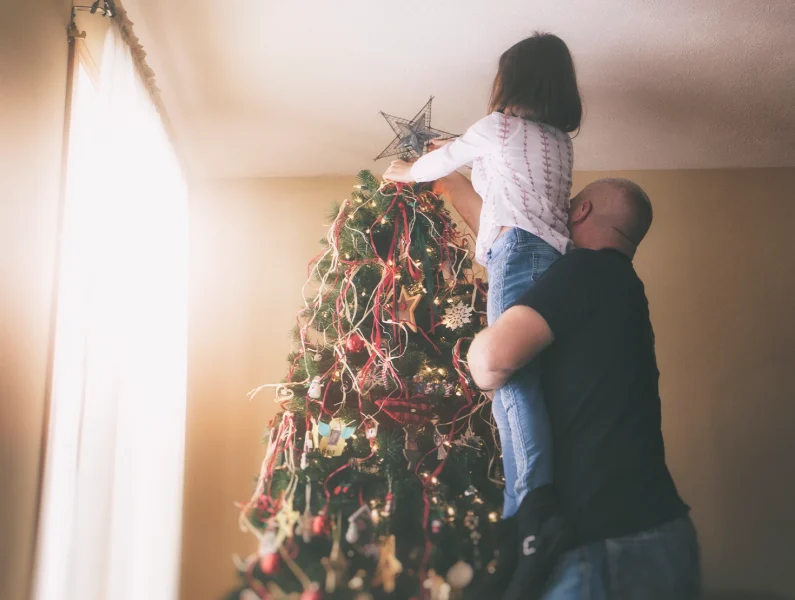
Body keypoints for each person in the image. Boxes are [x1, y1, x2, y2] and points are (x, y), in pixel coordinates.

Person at [385, 32, 583, 600]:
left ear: (510, 83)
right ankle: (531, 506)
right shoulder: (555, 143)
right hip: (551, 260)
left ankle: (531, 513)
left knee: (511, 384)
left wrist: (403, 170)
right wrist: (458, 160)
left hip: (516, 256)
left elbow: (435, 166)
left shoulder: (497, 127)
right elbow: (491, 184)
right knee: (533, 383)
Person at [467, 178, 701, 599]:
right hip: (660, 531)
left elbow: (491, 360)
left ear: (581, 211)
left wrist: (474, 355)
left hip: (600, 541)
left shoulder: (585, 270)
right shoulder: (624, 287)